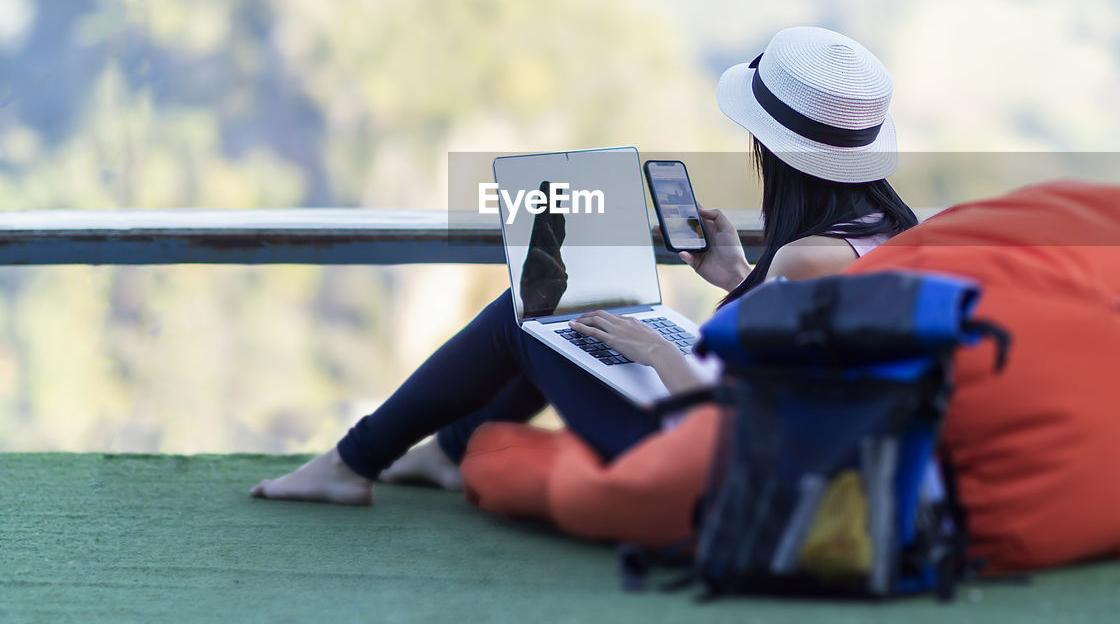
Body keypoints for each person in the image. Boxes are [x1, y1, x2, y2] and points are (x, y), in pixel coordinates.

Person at [250, 26, 918, 505]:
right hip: (783, 449)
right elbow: (791, 366)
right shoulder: (889, 234)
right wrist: (735, 275)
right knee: (568, 317)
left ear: (774, 152)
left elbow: (737, 411)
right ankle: (446, 454)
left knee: (529, 313)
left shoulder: (804, 257)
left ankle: (354, 460)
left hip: (718, 468)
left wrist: (657, 349)